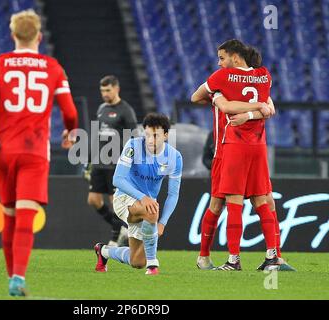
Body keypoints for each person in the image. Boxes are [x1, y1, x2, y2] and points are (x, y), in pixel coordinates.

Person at [0, 10, 79, 296]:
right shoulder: (52, 67)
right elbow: (70, 111)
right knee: (25, 215)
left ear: (12, 35)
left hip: (4, 151)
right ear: (39, 36)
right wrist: (71, 132)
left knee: (9, 214)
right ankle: (18, 278)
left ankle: (13, 276)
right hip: (34, 151)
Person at [191, 39, 287, 271]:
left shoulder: (221, 79)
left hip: (228, 148)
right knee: (263, 198)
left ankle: (224, 259)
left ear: (235, 57)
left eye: (222, 58)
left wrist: (216, 98)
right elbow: (269, 107)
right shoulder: (264, 76)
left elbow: (197, 97)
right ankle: (274, 257)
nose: (219, 62)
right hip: (258, 146)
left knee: (224, 202)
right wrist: (256, 111)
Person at [94, 113, 182, 275]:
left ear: (166, 135)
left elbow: (173, 194)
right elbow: (118, 179)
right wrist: (143, 197)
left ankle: (104, 251)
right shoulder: (133, 145)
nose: (150, 140)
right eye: (147, 134)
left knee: (137, 261)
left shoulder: (175, 157)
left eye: (155, 135)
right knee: (151, 210)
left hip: (147, 207)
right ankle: (153, 265)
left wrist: (162, 223)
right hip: (124, 199)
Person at [87, 75, 138, 246]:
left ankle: (116, 236)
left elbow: (133, 137)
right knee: (93, 200)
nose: (105, 94)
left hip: (115, 164)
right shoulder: (101, 108)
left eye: (108, 90)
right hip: (99, 162)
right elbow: (96, 135)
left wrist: (130, 162)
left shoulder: (126, 110)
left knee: (114, 202)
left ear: (117, 89)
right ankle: (118, 227)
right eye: (102, 91)